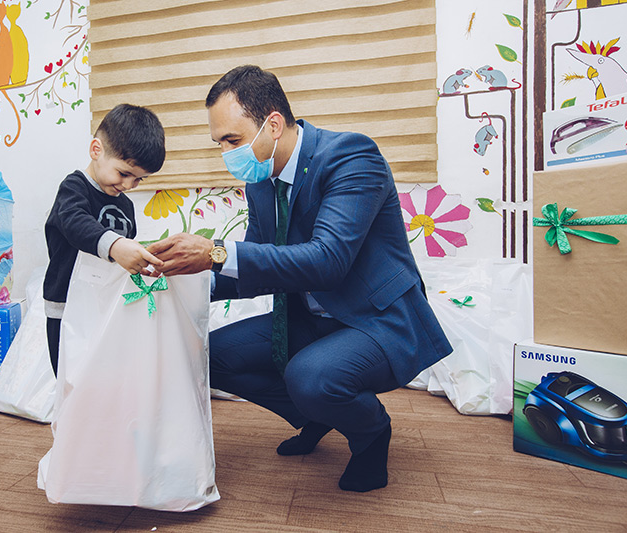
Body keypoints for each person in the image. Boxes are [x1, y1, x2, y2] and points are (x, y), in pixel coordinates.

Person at [147, 65, 452, 492]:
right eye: (220, 144)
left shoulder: (351, 157)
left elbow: (328, 261)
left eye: (232, 140)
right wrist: (179, 282)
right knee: (206, 357)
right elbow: (257, 265)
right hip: (311, 319)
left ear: (273, 124)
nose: (226, 154)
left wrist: (213, 251)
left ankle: (371, 433)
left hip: (376, 320)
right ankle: (318, 415)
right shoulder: (261, 182)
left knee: (310, 378)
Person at [43, 103, 166, 376]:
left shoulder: (126, 205)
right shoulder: (73, 188)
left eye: (139, 180)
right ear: (96, 150)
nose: (128, 186)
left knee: (104, 373)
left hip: (106, 304)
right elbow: (75, 222)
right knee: (71, 376)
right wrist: (115, 246)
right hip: (67, 304)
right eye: (124, 173)